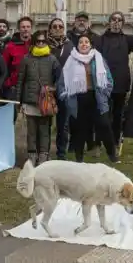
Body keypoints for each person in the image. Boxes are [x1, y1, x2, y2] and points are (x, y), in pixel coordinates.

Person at [59, 34, 118, 163]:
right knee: (80, 129)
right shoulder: (71, 60)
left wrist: (105, 93)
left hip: (97, 98)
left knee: (104, 125)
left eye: (86, 42)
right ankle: (79, 158)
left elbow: (108, 79)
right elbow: (63, 82)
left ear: (91, 45)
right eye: (81, 42)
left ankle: (112, 154)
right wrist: (65, 97)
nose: (84, 44)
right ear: (77, 45)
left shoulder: (98, 58)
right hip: (78, 99)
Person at [96, 11, 133, 156]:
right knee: (104, 115)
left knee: (117, 115)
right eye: (113, 19)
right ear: (109, 22)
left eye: (119, 20)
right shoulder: (100, 40)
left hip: (121, 83)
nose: (116, 22)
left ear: (122, 23)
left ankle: (114, 143)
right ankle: (99, 143)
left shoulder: (128, 40)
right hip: (104, 84)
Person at [19, 30, 62, 165]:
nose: (41, 43)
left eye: (43, 41)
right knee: (31, 131)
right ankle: (32, 155)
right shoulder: (26, 58)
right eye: (38, 41)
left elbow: (59, 79)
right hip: (30, 100)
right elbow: (21, 81)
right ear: (34, 42)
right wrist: (19, 101)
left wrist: (52, 89)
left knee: (44, 131)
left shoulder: (52, 59)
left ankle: (44, 156)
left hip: (46, 102)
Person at [48, 18, 74, 159]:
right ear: (50, 28)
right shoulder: (44, 44)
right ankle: (43, 153)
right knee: (45, 123)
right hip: (48, 89)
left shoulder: (70, 45)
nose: (58, 28)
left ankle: (61, 154)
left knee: (63, 124)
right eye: (55, 26)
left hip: (65, 90)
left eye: (60, 26)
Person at [2, 16, 33, 101]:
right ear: (19, 29)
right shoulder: (10, 46)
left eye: (28, 27)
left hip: (33, 88)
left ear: (31, 28)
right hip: (14, 87)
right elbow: (3, 67)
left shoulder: (37, 44)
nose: (25, 29)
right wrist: (8, 82)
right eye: (23, 27)